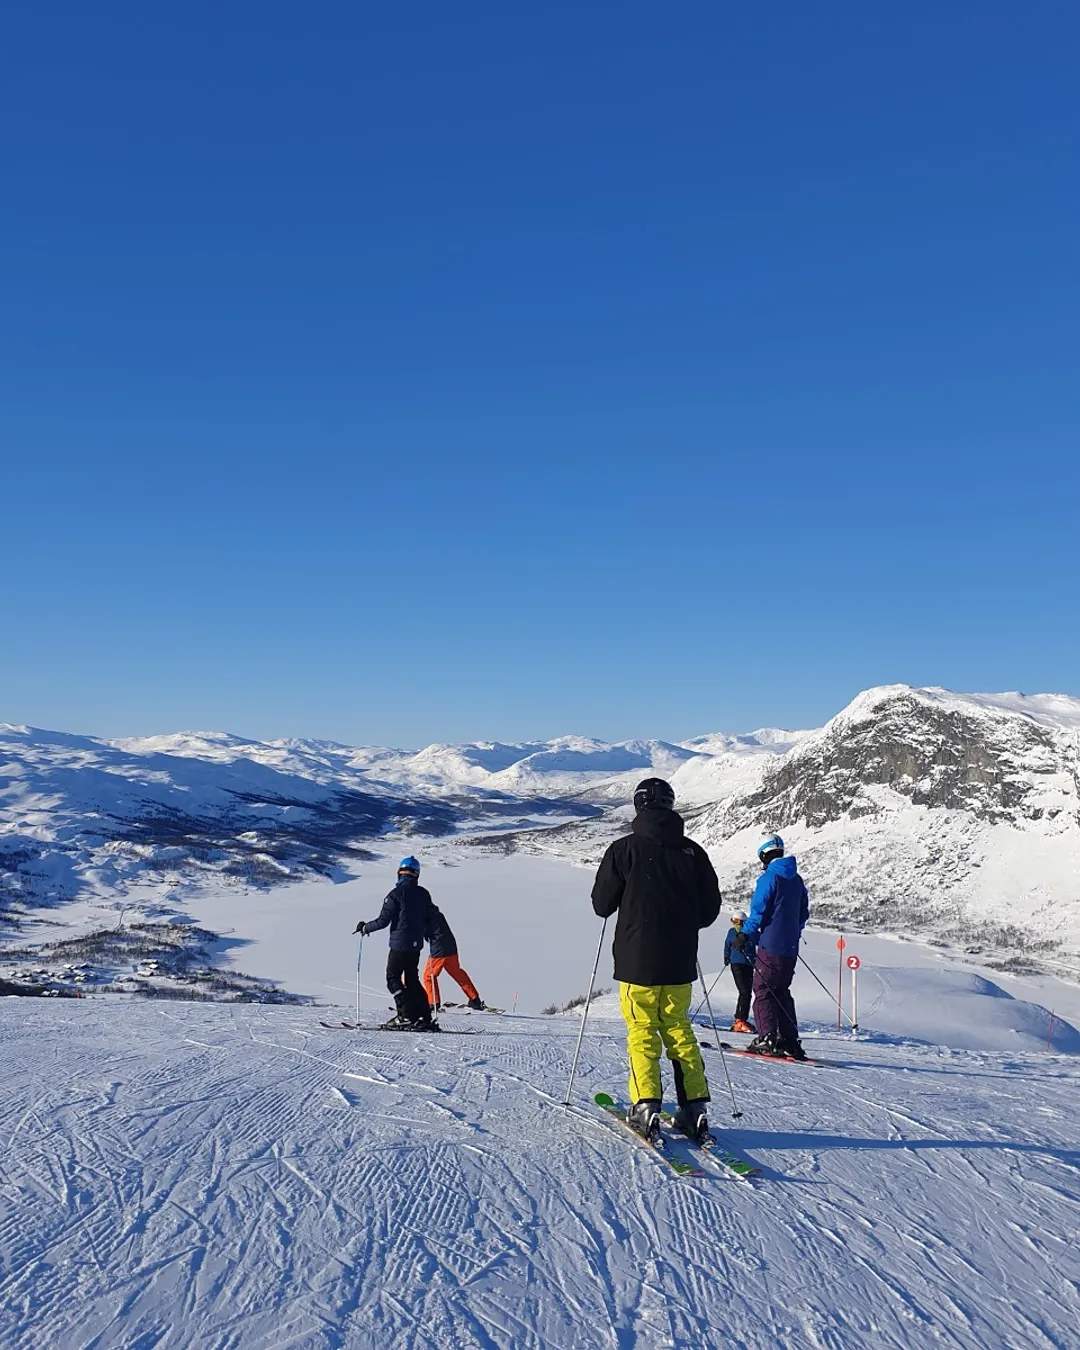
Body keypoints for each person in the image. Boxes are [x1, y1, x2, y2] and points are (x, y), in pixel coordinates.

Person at [591, 777, 722, 1144]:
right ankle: (694, 1107)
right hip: (680, 959)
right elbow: (710, 910)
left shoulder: (622, 850)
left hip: (637, 961)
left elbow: (602, 905)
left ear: (637, 806)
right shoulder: (693, 852)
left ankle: (646, 1104)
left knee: (642, 1030)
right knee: (678, 1028)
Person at [737, 834, 809, 1059]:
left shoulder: (769, 878)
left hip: (771, 946)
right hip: (790, 947)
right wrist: (791, 932)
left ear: (764, 856)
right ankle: (790, 1040)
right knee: (782, 991)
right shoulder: (796, 880)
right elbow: (803, 913)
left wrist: (745, 934)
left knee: (763, 990)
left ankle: (767, 1037)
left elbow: (759, 911)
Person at [355, 856, 436, 1030]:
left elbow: (383, 921)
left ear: (400, 873)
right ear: (417, 874)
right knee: (412, 980)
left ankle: (405, 1015)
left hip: (399, 945)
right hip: (416, 945)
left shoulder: (395, 894)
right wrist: (431, 935)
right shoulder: (424, 894)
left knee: (393, 979)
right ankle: (423, 1015)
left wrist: (365, 928)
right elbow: (430, 918)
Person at [423, 904, 485, 1011]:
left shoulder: (422, 915)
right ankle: (475, 999)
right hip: (451, 946)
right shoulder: (436, 913)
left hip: (439, 949)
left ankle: (433, 1003)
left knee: (429, 976)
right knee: (457, 973)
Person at [723, 910, 757, 1033]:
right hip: (736, 964)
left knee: (747, 992)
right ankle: (740, 1020)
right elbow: (727, 945)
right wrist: (726, 957)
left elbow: (760, 941)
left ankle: (741, 1019)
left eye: (736, 921)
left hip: (748, 964)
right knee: (744, 991)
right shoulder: (731, 932)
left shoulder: (750, 933)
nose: (734, 924)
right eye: (733, 921)